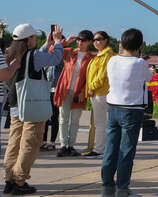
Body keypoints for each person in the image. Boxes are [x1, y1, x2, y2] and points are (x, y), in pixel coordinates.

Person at [3, 23, 64, 195]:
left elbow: (38, 58)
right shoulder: (33, 55)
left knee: (14, 143)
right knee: (30, 143)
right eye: (34, 37)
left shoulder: (10, 53)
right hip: (31, 105)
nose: (35, 39)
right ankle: (20, 181)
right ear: (29, 39)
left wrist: (47, 44)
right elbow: (54, 59)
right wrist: (58, 42)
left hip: (15, 104)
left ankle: (9, 179)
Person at [101, 28, 153, 197]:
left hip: (113, 107)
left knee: (111, 147)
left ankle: (107, 182)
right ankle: (123, 186)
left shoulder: (112, 60)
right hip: (131, 110)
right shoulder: (139, 63)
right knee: (126, 150)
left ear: (122, 43)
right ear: (139, 45)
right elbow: (149, 77)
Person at [53, 29, 94, 157]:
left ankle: (71, 145)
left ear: (89, 42)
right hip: (65, 89)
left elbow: (90, 77)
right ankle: (63, 145)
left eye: (83, 40)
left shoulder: (91, 58)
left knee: (75, 120)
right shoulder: (70, 52)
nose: (80, 42)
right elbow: (51, 51)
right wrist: (64, 42)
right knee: (63, 118)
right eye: (79, 39)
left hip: (78, 93)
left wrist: (83, 91)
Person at [84, 30, 114, 157]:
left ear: (106, 40)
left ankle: (101, 149)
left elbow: (102, 75)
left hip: (101, 93)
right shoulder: (99, 55)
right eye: (95, 39)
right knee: (99, 123)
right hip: (96, 94)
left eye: (99, 39)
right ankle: (100, 148)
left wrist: (92, 87)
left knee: (101, 123)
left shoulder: (107, 55)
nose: (96, 41)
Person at [41, 61, 63, 151]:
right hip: (45, 90)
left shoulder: (61, 62)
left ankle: (52, 142)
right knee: (45, 117)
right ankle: (43, 141)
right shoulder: (46, 60)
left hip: (56, 91)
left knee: (54, 116)